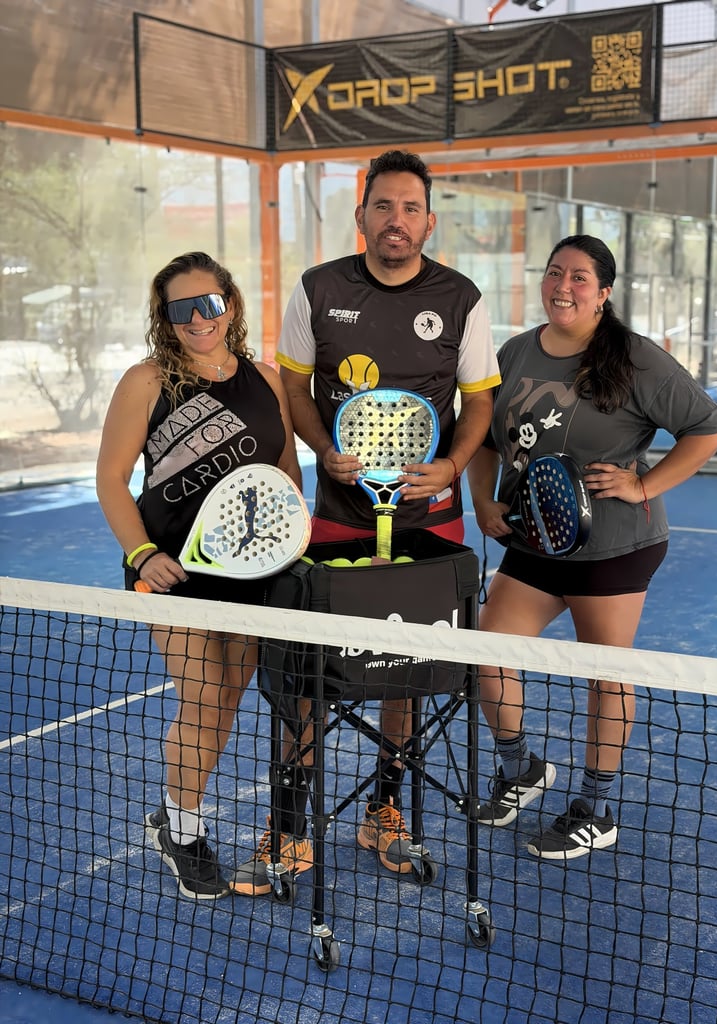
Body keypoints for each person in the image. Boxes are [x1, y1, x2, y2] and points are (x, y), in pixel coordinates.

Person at [229, 149, 500, 895]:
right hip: (337, 520)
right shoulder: (318, 290)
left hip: (433, 521)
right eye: (384, 206)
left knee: (407, 674)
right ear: (362, 215)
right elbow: (292, 381)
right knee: (309, 672)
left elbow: (479, 398)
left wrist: (450, 468)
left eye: (411, 208)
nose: (397, 220)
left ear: (428, 220)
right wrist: (320, 449)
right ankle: (289, 824)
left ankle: (384, 807)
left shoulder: (461, 298)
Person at [467, 234, 717, 861]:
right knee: (487, 654)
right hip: (532, 538)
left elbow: (710, 428)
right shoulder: (516, 351)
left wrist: (643, 483)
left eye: (580, 277)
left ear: (604, 292)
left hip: (613, 545)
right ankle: (520, 770)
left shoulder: (637, 359)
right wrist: (483, 500)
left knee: (604, 674)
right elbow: (483, 439)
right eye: (555, 272)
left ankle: (595, 806)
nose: (564, 285)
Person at [96, 251, 302, 899]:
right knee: (204, 696)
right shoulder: (146, 381)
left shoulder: (267, 380)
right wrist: (139, 556)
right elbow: (109, 479)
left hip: (255, 573)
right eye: (180, 309)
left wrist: (289, 547)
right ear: (164, 319)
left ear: (231, 304)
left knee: (230, 700)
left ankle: (172, 813)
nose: (197, 319)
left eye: (208, 303)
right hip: (172, 574)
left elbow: (287, 472)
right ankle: (183, 830)